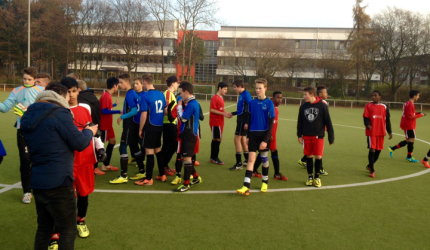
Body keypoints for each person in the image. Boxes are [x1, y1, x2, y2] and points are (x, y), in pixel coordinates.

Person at [20, 82, 97, 250]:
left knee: (44, 229)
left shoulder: (28, 115)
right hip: (59, 181)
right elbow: (79, 143)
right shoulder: (59, 113)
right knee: (68, 230)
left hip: (38, 181)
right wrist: (89, 131)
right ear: (61, 97)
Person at [61, 77, 105, 238]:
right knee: (65, 198)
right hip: (66, 162)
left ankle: (81, 221)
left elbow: (92, 129)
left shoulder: (85, 108)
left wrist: (100, 147)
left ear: (78, 91)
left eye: (74, 91)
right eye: (68, 92)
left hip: (85, 161)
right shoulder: (58, 110)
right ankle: (61, 229)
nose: (71, 95)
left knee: (83, 194)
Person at [0, 67, 44, 203]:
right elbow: (5, 108)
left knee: (40, 160)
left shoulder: (42, 92)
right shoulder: (16, 91)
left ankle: (42, 189)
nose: (27, 81)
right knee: (25, 161)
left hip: (39, 131)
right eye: (24, 79)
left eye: (29, 79)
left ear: (35, 79)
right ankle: (27, 192)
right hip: (22, 130)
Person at [236, 78, 275, 196]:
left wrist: (265, 140)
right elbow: (250, 120)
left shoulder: (269, 103)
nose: (258, 90)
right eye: (256, 88)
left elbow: (271, 123)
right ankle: (245, 186)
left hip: (264, 136)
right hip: (253, 135)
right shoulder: (252, 103)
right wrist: (248, 136)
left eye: (260, 88)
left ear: (265, 89)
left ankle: (265, 181)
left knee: (264, 159)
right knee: (251, 159)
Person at [110, 74, 145, 184]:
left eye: (121, 82)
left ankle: (123, 175)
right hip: (134, 125)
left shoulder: (130, 94)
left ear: (127, 83)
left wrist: (122, 116)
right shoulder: (133, 93)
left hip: (130, 125)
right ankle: (142, 170)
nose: (119, 85)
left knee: (123, 148)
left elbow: (134, 111)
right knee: (134, 147)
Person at [297, 86, 334, 188]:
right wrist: (299, 135)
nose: (304, 96)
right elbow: (300, 122)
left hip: (318, 136)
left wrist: (331, 136)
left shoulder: (322, 106)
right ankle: (310, 177)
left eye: (305, 95)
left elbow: (328, 121)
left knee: (318, 157)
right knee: (308, 156)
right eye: (303, 94)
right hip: (306, 136)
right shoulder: (303, 107)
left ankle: (317, 178)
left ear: (312, 94)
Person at [135, 74, 167, 186]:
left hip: (150, 127)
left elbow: (143, 115)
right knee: (158, 150)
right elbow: (166, 111)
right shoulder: (161, 94)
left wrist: (140, 129)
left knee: (149, 152)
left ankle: (148, 178)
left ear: (144, 82)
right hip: (159, 126)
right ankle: (162, 175)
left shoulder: (145, 96)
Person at [172, 81, 202, 192]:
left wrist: (179, 107)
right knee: (185, 158)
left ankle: (186, 184)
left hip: (189, 135)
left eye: (181, 93)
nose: (180, 95)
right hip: (188, 134)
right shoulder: (193, 103)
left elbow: (183, 118)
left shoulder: (192, 104)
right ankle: (195, 177)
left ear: (186, 92)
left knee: (187, 159)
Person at [253, 91, 288, 181]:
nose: (280, 100)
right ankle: (276, 174)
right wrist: (269, 135)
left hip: (271, 135)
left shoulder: (274, 107)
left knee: (267, 152)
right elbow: (268, 122)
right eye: (278, 97)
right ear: (273, 98)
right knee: (266, 152)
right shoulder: (271, 106)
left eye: (281, 98)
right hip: (269, 135)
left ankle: (255, 170)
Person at [389, 90, 425, 162]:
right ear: (414, 96)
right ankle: (409, 157)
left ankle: (393, 148)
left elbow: (410, 113)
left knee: (409, 140)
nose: (418, 97)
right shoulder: (410, 104)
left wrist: (417, 113)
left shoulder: (408, 103)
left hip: (408, 124)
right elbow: (409, 116)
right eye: (418, 95)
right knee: (411, 140)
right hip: (409, 125)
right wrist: (420, 115)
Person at [77, 80, 105, 175]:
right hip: (95, 126)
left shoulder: (80, 101)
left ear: (78, 90)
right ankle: (94, 167)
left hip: (86, 127)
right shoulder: (93, 97)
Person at [363, 90, 392, 178]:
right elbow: (365, 117)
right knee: (372, 149)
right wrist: (367, 124)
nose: (373, 97)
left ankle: (369, 165)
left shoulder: (384, 106)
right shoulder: (368, 105)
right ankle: (372, 169)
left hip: (381, 132)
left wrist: (390, 131)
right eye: (372, 96)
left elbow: (387, 120)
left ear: (380, 96)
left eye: (375, 95)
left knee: (378, 150)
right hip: (371, 132)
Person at [99, 77, 122, 172]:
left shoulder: (107, 95)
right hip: (104, 125)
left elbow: (107, 107)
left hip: (108, 126)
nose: (118, 87)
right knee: (100, 146)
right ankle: (94, 167)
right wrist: (118, 111)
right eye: (118, 85)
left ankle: (106, 164)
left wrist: (115, 105)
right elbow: (104, 110)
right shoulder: (106, 95)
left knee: (112, 141)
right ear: (114, 86)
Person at [231, 78, 252, 169]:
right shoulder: (242, 94)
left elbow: (250, 108)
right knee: (243, 140)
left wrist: (247, 122)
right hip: (241, 119)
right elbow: (241, 109)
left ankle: (239, 163)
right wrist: (232, 113)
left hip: (243, 120)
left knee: (236, 139)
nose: (234, 89)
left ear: (240, 86)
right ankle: (247, 160)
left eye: (235, 87)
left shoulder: (246, 95)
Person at [209, 82, 232, 166]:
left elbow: (221, 110)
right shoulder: (215, 98)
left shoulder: (221, 98)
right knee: (218, 139)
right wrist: (223, 114)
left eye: (226, 89)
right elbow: (212, 110)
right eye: (225, 89)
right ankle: (215, 158)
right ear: (219, 88)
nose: (226, 91)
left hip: (220, 122)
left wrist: (226, 113)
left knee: (216, 139)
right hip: (215, 122)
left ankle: (212, 157)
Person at [162, 76, 181, 174]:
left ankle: (164, 166)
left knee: (166, 146)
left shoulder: (170, 94)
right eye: (177, 83)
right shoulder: (168, 94)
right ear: (173, 83)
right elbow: (166, 111)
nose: (178, 85)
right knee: (173, 145)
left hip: (169, 123)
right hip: (168, 123)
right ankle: (164, 166)